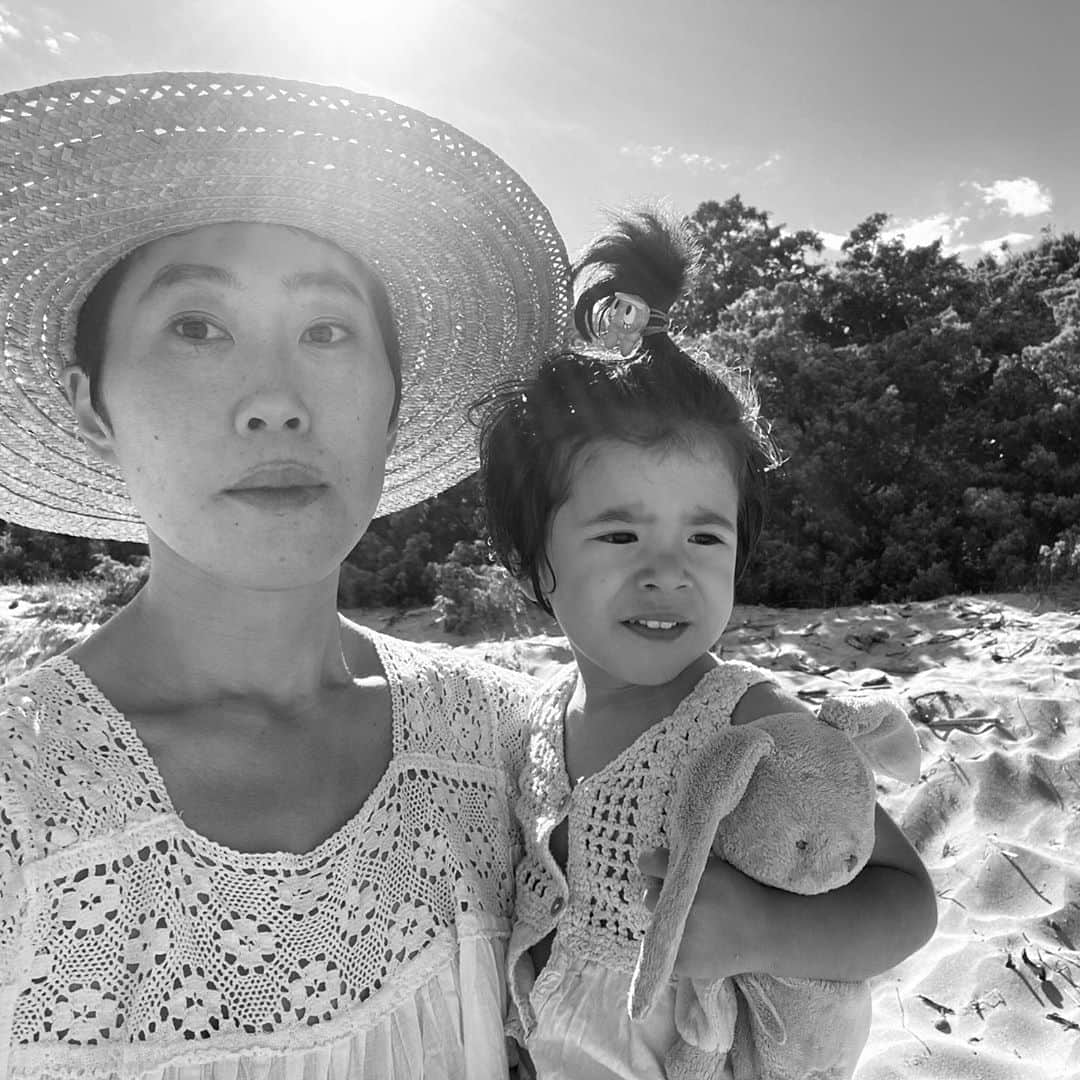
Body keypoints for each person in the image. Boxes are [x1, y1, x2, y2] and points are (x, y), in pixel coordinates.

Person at [0, 71, 572, 1079]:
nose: (275, 400)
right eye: (196, 327)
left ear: (394, 404)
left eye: (328, 331)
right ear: (96, 407)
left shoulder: (513, 750)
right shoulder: (21, 799)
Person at [473, 209, 938, 1078]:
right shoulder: (535, 725)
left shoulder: (751, 725)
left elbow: (906, 902)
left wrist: (764, 929)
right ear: (535, 562)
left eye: (705, 537)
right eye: (618, 537)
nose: (668, 573)